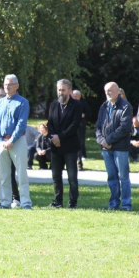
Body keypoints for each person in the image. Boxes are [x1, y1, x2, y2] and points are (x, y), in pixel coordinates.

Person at [0, 74, 32, 210]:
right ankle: (5, 202)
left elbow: (21, 124)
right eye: (5, 84)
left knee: (21, 174)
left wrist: (11, 141)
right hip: (1, 142)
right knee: (4, 175)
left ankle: (25, 203)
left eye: (10, 84)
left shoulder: (23, 102)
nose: (7, 86)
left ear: (17, 86)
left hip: (18, 141)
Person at [96, 82, 133, 211]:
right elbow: (98, 126)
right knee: (111, 176)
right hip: (106, 148)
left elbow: (125, 128)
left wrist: (108, 140)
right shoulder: (104, 106)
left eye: (110, 90)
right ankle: (113, 203)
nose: (108, 93)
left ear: (118, 91)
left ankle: (126, 204)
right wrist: (102, 140)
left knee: (123, 177)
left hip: (120, 148)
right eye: (106, 91)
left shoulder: (125, 106)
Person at [47, 79, 82, 209]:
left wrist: (60, 137)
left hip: (70, 146)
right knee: (56, 176)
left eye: (63, 90)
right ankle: (58, 201)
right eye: (59, 90)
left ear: (69, 90)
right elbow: (50, 123)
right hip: (55, 147)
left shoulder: (76, 105)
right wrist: (53, 137)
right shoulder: (54, 105)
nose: (60, 93)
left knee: (72, 177)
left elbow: (74, 125)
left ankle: (73, 203)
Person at [0, 88, 20, 207]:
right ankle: (3, 199)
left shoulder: (13, 106)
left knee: (11, 173)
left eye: (2, 95)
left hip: (11, 143)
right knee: (0, 174)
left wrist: (9, 141)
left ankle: (16, 198)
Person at [71, 90, 92, 168]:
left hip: (81, 124)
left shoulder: (83, 103)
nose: (75, 97)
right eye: (74, 96)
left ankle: (83, 154)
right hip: (72, 124)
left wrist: (83, 115)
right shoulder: (70, 102)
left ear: (80, 96)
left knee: (81, 140)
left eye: (76, 96)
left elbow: (89, 113)